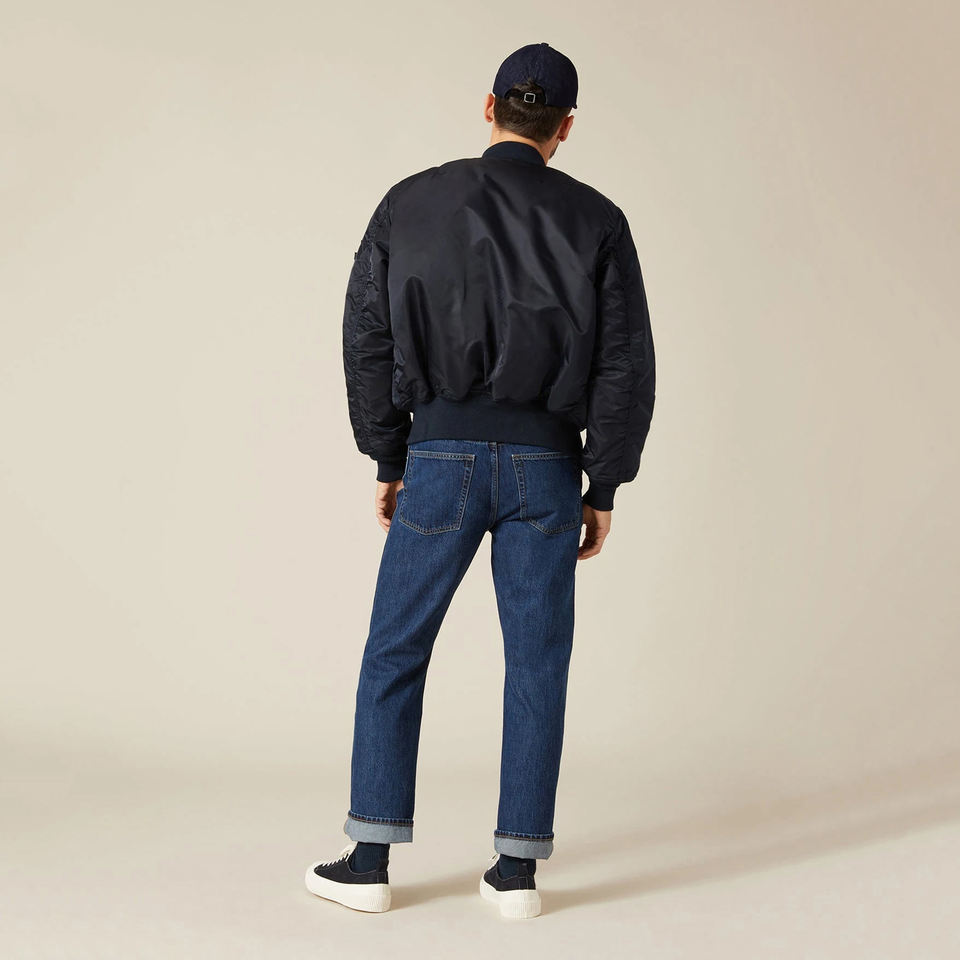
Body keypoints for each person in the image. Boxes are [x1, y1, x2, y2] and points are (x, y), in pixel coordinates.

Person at [304, 41, 656, 919]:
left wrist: (390, 455)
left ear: (489, 106)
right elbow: (623, 362)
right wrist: (603, 485)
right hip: (547, 468)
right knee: (538, 662)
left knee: (396, 650)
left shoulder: (409, 202)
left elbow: (366, 337)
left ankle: (370, 859)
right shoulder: (599, 220)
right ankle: (516, 874)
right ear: (565, 127)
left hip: (440, 458)